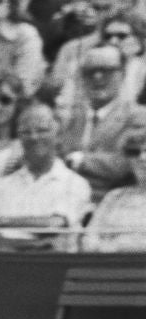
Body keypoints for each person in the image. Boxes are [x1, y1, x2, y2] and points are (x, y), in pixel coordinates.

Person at [0, 101, 92, 251]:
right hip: (5, 266)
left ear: (58, 135)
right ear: (19, 137)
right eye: (26, 132)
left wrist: (3, 221)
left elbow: (54, 225)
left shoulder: (75, 183)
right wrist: (38, 243)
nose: (34, 137)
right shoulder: (2, 186)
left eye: (42, 130)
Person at [58, 44, 146, 202]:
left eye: (106, 70)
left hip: (113, 205)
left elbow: (124, 165)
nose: (97, 77)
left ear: (123, 73)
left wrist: (79, 160)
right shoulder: (71, 118)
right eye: (89, 72)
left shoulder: (138, 117)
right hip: (66, 201)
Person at [82, 127, 146, 251]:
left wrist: (118, 246)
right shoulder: (114, 197)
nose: (142, 157)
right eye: (133, 152)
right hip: (109, 266)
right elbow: (89, 239)